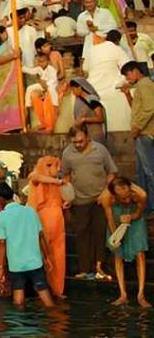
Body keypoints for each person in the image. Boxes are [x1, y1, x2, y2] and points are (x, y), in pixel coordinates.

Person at [62, 126, 117, 280]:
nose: (78, 144)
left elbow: (112, 172)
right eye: (75, 142)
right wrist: (67, 196)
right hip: (79, 201)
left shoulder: (100, 150)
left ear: (87, 137)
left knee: (100, 233)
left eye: (80, 141)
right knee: (81, 234)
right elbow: (65, 176)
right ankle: (85, 269)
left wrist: (106, 191)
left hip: (99, 200)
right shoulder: (67, 153)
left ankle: (100, 267)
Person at [0, 182, 55, 308]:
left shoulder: (0, 217)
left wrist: (0, 268)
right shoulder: (30, 211)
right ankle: (55, 322)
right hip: (35, 261)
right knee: (45, 295)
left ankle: (18, 325)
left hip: (16, 264)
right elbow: (41, 236)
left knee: (18, 299)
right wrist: (48, 258)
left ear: (0, 199)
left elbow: (2, 244)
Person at [101, 176, 150, 307]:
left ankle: (141, 295)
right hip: (117, 215)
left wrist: (131, 217)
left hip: (135, 218)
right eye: (123, 198)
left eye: (128, 195)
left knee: (140, 253)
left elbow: (139, 214)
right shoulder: (107, 197)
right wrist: (116, 236)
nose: (127, 199)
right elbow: (110, 218)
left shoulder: (140, 195)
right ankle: (123, 294)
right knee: (118, 254)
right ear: (114, 195)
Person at [27, 155, 67, 298]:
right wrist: (59, 182)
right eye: (49, 165)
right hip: (42, 219)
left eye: (55, 165)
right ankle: (41, 289)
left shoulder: (56, 183)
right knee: (43, 254)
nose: (54, 168)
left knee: (58, 255)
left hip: (57, 220)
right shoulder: (36, 176)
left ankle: (57, 289)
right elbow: (39, 178)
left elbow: (61, 197)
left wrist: (65, 202)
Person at [123, 61, 154, 216]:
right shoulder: (141, 86)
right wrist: (127, 94)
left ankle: (152, 207)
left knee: (150, 173)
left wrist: (137, 128)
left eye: (128, 74)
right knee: (142, 173)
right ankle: (146, 207)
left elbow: (150, 108)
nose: (127, 78)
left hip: (145, 134)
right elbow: (137, 108)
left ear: (135, 71)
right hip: (141, 134)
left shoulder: (144, 83)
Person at [84, 30, 131, 132]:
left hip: (95, 90)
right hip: (112, 89)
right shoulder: (116, 49)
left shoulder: (91, 50)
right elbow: (127, 67)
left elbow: (85, 68)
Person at [68, 78, 107, 145]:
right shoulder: (79, 101)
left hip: (95, 135)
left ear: (80, 87)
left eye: (73, 89)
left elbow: (100, 118)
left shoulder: (92, 100)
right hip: (83, 136)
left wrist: (84, 119)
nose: (73, 92)